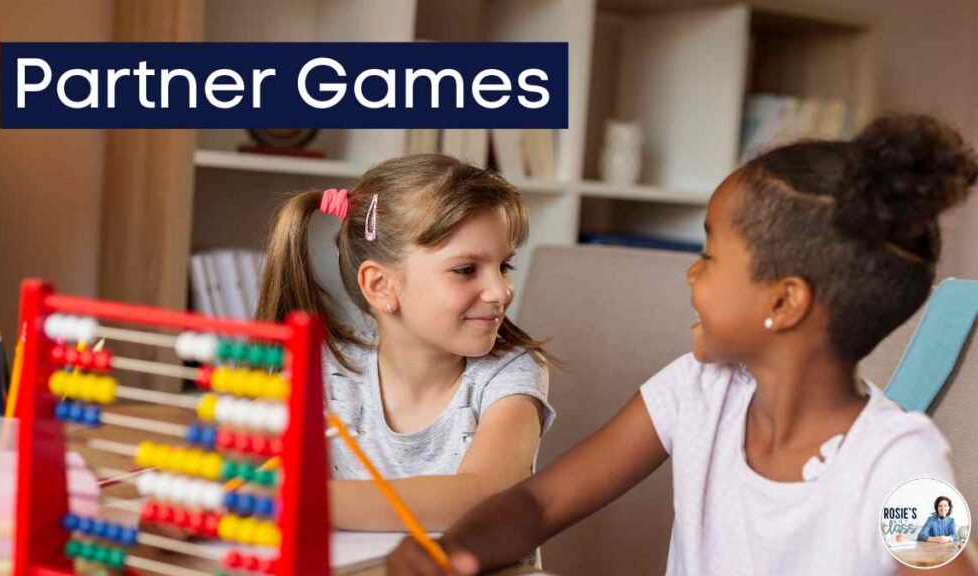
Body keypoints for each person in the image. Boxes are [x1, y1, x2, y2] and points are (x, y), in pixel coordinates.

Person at [386, 114, 978, 575]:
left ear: (783, 303)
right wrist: (458, 552)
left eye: (709, 257)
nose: (692, 276)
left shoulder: (899, 463)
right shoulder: (696, 392)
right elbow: (539, 505)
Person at [256, 154, 555, 531]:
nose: (501, 291)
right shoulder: (323, 372)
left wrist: (292, 498)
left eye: (504, 267)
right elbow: (244, 464)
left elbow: (481, 495)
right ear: (381, 286)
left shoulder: (510, 375)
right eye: (466, 270)